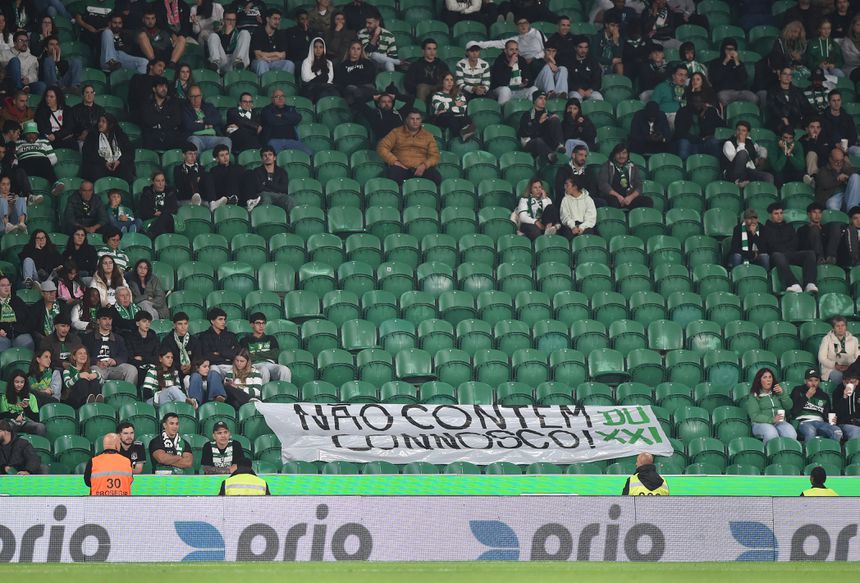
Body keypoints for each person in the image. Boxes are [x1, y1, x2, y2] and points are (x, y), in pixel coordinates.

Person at [760, 201, 818, 293]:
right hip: (777, 256)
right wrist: (784, 248)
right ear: (770, 215)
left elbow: (795, 242)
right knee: (777, 255)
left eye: (781, 213)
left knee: (810, 253)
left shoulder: (789, 226)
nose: (779, 216)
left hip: (791, 253)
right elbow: (770, 245)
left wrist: (787, 248)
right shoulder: (765, 229)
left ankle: (809, 283)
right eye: (776, 213)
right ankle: (793, 284)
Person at [377, 109, 441, 185]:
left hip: (421, 168)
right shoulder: (396, 132)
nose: (415, 121)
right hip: (401, 167)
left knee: (436, 177)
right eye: (412, 119)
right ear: (407, 120)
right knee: (392, 175)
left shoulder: (428, 136)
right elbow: (381, 147)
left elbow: (435, 156)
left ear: (421, 121)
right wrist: (394, 161)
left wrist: (424, 165)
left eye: (418, 119)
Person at [82, 306, 138, 385]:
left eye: (110, 319)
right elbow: (84, 356)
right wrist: (97, 362)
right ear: (98, 321)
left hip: (114, 368)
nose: (108, 322)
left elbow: (124, 355)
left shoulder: (118, 338)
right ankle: (99, 396)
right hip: (97, 367)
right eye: (104, 319)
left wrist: (115, 361)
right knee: (94, 371)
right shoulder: (89, 338)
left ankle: (127, 395)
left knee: (131, 369)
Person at [746, 367, 797, 443]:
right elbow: (754, 416)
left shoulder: (778, 392)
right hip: (760, 423)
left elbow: (789, 406)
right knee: (771, 434)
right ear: (759, 380)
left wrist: (782, 394)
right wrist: (771, 419)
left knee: (792, 434)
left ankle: (786, 453)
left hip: (779, 422)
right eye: (765, 377)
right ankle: (769, 453)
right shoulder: (753, 395)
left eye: (770, 377)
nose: (768, 380)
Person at [791, 368, 843, 442]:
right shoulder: (798, 390)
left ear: (819, 382)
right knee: (811, 431)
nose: (813, 383)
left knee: (837, 432)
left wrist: (831, 419)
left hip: (821, 422)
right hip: (803, 422)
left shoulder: (824, 395)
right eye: (810, 380)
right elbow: (793, 411)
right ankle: (810, 452)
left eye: (816, 380)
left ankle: (829, 452)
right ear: (805, 381)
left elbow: (827, 414)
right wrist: (806, 396)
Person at [82, 114, 135, 184]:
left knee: (126, 171)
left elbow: (130, 153)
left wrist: (119, 161)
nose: (100, 124)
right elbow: (88, 154)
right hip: (100, 165)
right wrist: (104, 163)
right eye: (99, 121)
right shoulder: (92, 136)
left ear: (110, 125)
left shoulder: (120, 136)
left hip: (117, 165)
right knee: (95, 171)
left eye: (103, 122)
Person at [597, 143, 654, 209]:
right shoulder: (607, 166)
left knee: (647, 201)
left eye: (624, 153)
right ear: (614, 155)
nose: (621, 156)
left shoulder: (632, 166)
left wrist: (631, 197)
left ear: (627, 154)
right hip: (613, 196)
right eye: (618, 153)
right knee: (612, 201)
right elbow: (603, 185)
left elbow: (639, 185)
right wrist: (618, 196)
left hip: (628, 198)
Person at [240, 313, 291, 384]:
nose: (261, 326)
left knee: (285, 369)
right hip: (254, 365)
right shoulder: (245, 340)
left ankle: (284, 393)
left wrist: (255, 353)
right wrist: (267, 353)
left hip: (270, 363)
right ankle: (261, 394)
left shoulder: (271, 338)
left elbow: (275, 354)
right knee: (264, 370)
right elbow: (247, 357)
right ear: (252, 325)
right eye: (258, 323)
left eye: (263, 323)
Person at [260, 88, 312, 156]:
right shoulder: (266, 109)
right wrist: (289, 120)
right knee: (271, 157)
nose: (280, 98)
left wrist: (282, 115)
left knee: (309, 153)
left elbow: (298, 118)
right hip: (274, 140)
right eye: (277, 96)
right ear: (272, 99)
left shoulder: (291, 108)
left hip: (291, 140)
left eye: (282, 96)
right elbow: (271, 121)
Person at [709, 37, 758, 108]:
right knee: (722, 97)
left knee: (754, 98)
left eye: (732, 49)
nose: (730, 52)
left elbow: (744, 79)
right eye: (727, 49)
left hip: (740, 92)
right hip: (724, 92)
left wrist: (737, 62)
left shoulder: (738, 63)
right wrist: (725, 62)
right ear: (723, 49)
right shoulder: (715, 63)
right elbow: (715, 79)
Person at [140, 76, 187, 151]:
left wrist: (158, 122)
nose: (164, 89)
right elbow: (148, 120)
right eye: (161, 86)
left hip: (170, 136)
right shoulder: (147, 103)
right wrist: (166, 117)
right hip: (151, 137)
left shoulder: (174, 103)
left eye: (165, 86)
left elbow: (177, 121)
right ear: (154, 89)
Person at [182, 85, 232, 154]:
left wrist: (204, 121)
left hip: (213, 137)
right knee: (193, 141)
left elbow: (218, 119)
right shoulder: (185, 109)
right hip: (196, 137)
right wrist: (207, 126)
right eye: (192, 96)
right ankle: (196, 164)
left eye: (198, 96)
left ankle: (225, 164)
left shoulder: (209, 106)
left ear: (201, 96)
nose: (195, 99)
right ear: (188, 97)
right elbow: (189, 125)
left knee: (226, 140)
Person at [722, 121, 774, 186]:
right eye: (738, 130)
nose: (740, 133)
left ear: (747, 133)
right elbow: (737, 161)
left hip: (748, 171)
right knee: (743, 153)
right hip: (732, 173)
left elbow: (761, 149)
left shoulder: (749, 141)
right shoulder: (728, 143)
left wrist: (762, 157)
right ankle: (738, 182)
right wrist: (741, 142)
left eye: (743, 131)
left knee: (768, 177)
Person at [519, 91, 564, 164]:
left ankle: (559, 145)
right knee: (538, 141)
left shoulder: (548, 113)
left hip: (544, 140)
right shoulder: (527, 115)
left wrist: (554, 120)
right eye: (540, 98)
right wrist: (539, 122)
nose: (543, 101)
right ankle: (550, 155)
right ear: (534, 100)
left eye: (545, 99)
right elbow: (525, 133)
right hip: (529, 141)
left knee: (555, 119)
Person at [205, 144, 251, 210]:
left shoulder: (238, 168)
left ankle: (249, 200)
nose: (225, 157)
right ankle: (215, 203)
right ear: (217, 159)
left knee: (249, 172)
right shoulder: (214, 170)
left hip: (239, 196)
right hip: (222, 196)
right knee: (208, 175)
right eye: (222, 155)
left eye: (227, 154)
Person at [490, 40, 536, 105]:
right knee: (505, 90)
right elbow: (502, 82)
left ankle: (532, 113)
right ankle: (503, 112)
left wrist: (526, 82)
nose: (514, 52)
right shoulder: (499, 61)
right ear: (505, 51)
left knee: (533, 89)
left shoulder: (521, 60)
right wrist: (510, 65)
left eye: (516, 49)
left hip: (518, 89)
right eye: (511, 49)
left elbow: (530, 79)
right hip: (501, 89)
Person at [0, 370, 46, 436]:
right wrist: (15, 416)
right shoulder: (5, 397)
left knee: (40, 427)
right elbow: (3, 415)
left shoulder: (31, 397)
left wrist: (27, 408)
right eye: (16, 382)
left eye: (22, 382)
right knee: (6, 427)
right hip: (11, 422)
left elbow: (36, 418)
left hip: (26, 423)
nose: (19, 385)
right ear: (12, 382)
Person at [16, 120, 60, 188]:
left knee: (45, 161)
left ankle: (55, 184)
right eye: (28, 134)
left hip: (41, 163)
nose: (31, 136)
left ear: (37, 134)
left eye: (33, 133)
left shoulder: (44, 141)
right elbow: (14, 157)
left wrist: (39, 164)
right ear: (24, 135)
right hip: (25, 164)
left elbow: (53, 158)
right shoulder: (18, 143)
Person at [404, 38, 449, 104]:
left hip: (438, 87)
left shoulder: (441, 64)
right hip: (422, 89)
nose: (432, 52)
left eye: (434, 49)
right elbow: (408, 82)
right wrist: (416, 89)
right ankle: (421, 112)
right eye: (429, 49)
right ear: (423, 51)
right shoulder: (416, 65)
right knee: (422, 88)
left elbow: (448, 77)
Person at [766, 67, 812, 131]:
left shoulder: (797, 91)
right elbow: (772, 107)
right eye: (785, 74)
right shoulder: (772, 91)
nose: (787, 76)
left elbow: (806, 106)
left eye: (790, 74)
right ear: (779, 76)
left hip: (796, 120)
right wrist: (783, 117)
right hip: (778, 121)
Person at [250, 8, 293, 76]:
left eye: (279, 19)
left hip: (274, 62)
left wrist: (267, 57)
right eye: (275, 19)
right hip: (259, 62)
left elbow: (283, 55)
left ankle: (283, 86)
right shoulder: (258, 32)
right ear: (268, 19)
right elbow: (257, 55)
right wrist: (276, 53)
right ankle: (266, 86)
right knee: (262, 64)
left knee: (289, 64)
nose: (277, 22)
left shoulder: (281, 34)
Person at [815, 147, 860, 211]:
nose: (839, 164)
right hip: (832, 197)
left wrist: (847, 178)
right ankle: (838, 219)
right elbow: (825, 184)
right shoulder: (823, 171)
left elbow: (857, 172)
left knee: (855, 177)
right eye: (836, 161)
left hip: (847, 198)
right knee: (832, 205)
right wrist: (838, 179)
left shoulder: (846, 168)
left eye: (841, 161)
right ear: (830, 159)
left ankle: (853, 211)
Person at [819, 316, 859, 387]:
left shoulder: (854, 340)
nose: (840, 328)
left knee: (854, 378)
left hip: (851, 369)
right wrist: (835, 365)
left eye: (843, 325)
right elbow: (821, 358)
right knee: (842, 378)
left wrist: (850, 367)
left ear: (846, 327)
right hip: (831, 369)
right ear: (833, 328)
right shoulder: (826, 339)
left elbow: (858, 357)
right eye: (837, 326)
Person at [207, 8, 251, 73]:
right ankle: (215, 62)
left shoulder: (239, 34)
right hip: (221, 63)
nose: (231, 22)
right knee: (213, 36)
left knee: (245, 33)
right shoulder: (219, 33)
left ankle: (239, 60)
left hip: (235, 63)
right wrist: (226, 34)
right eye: (228, 20)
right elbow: (224, 49)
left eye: (233, 20)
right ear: (223, 20)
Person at [334, 40, 376, 107]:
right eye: (353, 48)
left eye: (358, 49)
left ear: (361, 51)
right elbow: (342, 81)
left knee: (352, 97)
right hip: (350, 89)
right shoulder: (342, 65)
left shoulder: (368, 63)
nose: (355, 51)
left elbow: (369, 78)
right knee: (351, 90)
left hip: (366, 88)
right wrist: (359, 74)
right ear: (349, 50)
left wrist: (352, 75)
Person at [249, 145, 291, 210]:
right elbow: (259, 188)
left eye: (270, 154)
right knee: (265, 196)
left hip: (279, 196)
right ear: (262, 159)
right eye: (264, 155)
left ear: (274, 157)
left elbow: (284, 189)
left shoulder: (282, 172)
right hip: (264, 195)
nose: (267, 157)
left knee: (288, 199)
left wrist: (267, 183)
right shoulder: (257, 171)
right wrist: (275, 187)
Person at [3, 31, 44, 95]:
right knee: (15, 61)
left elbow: (34, 74)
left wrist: (28, 79)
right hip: (10, 83)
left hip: (25, 85)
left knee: (41, 86)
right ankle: (19, 92)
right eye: (20, 40)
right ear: (14, 43)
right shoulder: (5, 53)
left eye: (26, 41)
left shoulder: (33, 58)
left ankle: (21, 92)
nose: (24, 43)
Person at [138, 171, 177, 238]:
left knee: (165, 216)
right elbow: (143, 211)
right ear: (153, 182)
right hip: (152, 218)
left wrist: (161, 213)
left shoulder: (170, 192)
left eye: (163, 180)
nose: (161, 183)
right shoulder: (147, 193)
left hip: (167, 220)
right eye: (158, 181)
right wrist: (153, 213)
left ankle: (149, 235)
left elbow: (173, 208)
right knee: (162, 231)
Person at [0, 275, 34, 351]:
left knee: (27, 342)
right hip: (2, 335)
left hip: (19, 333)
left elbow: (29, 318)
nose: (6, 288)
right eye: (3, 285)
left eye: (8, 285)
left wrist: (20, 330)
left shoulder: (17, 300)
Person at [558, 174, 597, 239]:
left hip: (585, 227)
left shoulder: (588, 199)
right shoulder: (565, 200)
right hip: (570, 227)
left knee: (589, 233)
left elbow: (591, 218)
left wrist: (582, 227)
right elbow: (565, 216)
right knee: (566, 233)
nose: (565, 187)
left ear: (575, 187)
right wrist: (573, 227)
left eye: (567, 185)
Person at [300, 37, 339, 102]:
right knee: (324, 95)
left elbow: (329, 78)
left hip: (326, 87)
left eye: (321, 47)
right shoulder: (306, 62)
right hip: (311, 89)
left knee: (336, 94)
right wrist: (321, 76)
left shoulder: (329, 63)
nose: (318, 49)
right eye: (315, 47)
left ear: (324, 49)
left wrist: (318, 78)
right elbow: (306, 78)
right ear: (312, 48)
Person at [125, 311, 159, 384]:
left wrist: (143, 358)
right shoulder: (130, 338)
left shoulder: (153, 336)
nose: (147, 324)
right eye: (144, 321)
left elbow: (157, 357)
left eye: (149, 322)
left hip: (152, 367)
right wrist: (147, 360)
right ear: (137, 323)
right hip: (137, 367)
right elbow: (130, 358)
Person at [27, 279, 65, 343]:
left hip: (61, 336)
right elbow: (32, 328)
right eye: (49, 292)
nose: (52, 294)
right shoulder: (36, 308)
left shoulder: (62, 305)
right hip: (43, 339)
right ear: (42, 293)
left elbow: (67, 322)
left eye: (53, 291)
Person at [822, 90, 859, 157]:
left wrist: (846, 145)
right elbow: (823, 137)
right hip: (830, 147)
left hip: (847, 147)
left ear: (841, 101)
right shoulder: (823, 118)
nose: (836, 103)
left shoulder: (847, 117)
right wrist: (835, 145)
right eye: (834, 100)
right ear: (829, 102)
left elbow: (853, 136)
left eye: (838, 100)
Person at [567, 35, 603, 102]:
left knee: (598, 97)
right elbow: (568, 80)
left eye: (586, 48)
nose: (583, 50)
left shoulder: (592, 61)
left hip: (590, 91)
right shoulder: (570, 62)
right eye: (580, 47)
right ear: (575, 48)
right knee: (575, 98)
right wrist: (577, 89)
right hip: (575, 91)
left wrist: (591, 89)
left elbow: (598, 80)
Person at [161, 311, 197, 378]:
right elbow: (165, 359)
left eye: (185, 324)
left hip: (192, 371)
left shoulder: (193, 340)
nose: (183, 327)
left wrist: (190, 366)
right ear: (174, 325)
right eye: (180, 324)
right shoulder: (167, 340)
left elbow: (198, 356)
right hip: (174, 371)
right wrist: (179, 367)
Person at [800, 116, 831, 184]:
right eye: (812, 127)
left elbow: (825, 156)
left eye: (818, 127)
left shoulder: (824, 140)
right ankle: (813, 180)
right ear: (806, 129)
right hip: (808, 170)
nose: (815, 130)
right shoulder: (802, 141)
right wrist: (812, 140)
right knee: (811, 154)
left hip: (823, 169)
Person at [832, 371, 860, 440]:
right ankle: (855, 450)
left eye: (852, 382)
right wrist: (844, 397)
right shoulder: (837, 392)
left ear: (857, 382)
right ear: (843, 382)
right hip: (844, 424)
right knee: (855, 431)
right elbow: (836, 413)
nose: (850, 384)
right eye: (847, 382)